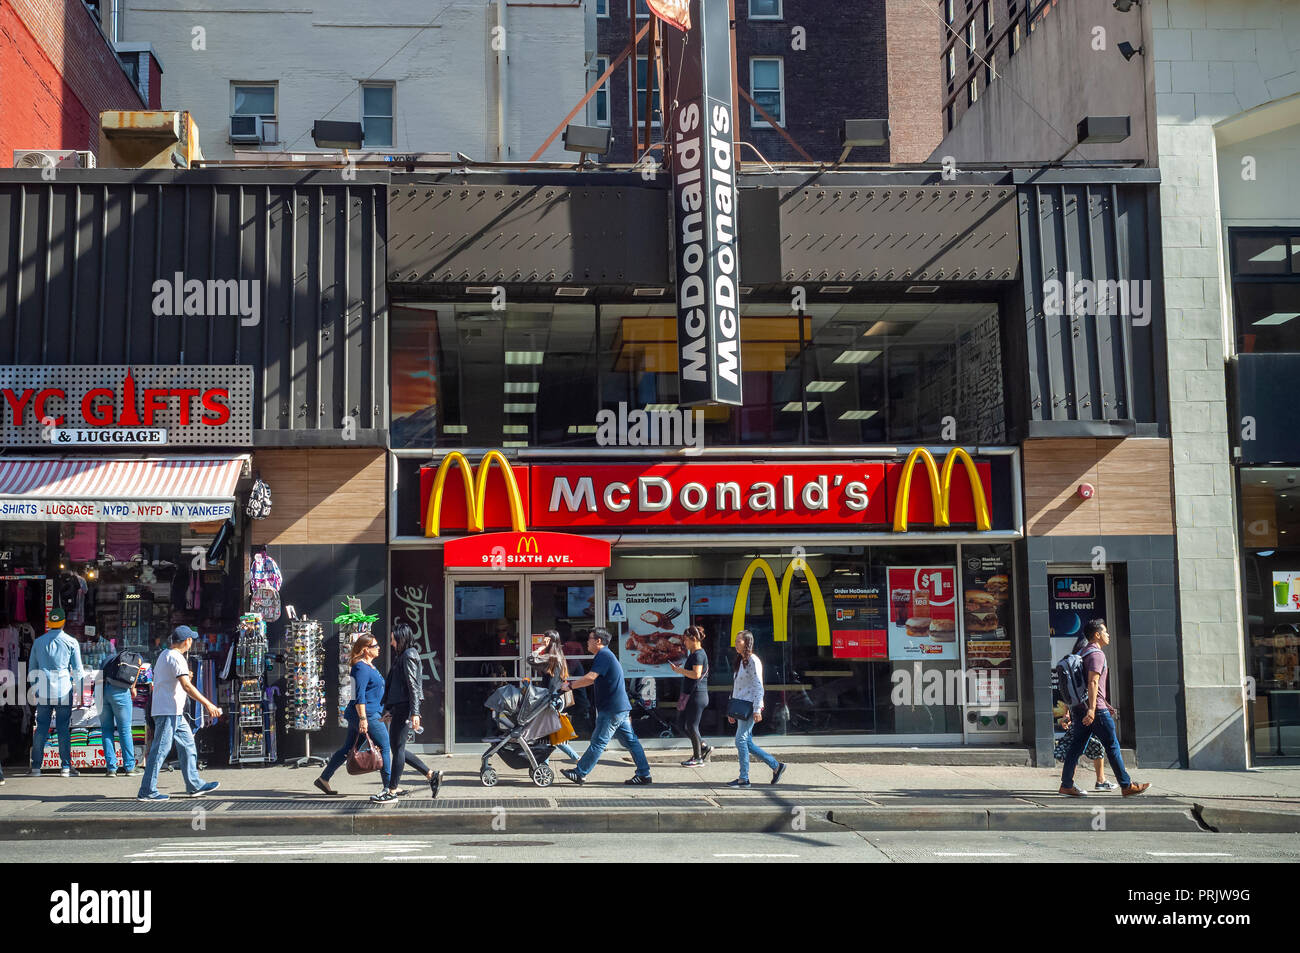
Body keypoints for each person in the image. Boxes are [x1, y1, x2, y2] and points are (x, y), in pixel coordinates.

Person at [1059, 619, 1150, 798]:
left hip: (1080, 707)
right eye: (1105, 632)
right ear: (1097, 635)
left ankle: (1066, 785)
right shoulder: (1096, 654)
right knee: (1112, 745)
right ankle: (1126, 785)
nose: (1108, 635)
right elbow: (1093, 682)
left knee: (1076, 747)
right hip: (1096, 710)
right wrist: (1092, 710)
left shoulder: (1083, 652)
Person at [136, 626, 222, 801]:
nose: (192, 642)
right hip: (168, 711)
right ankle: (147, 790)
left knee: (188, 745)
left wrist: (186, 678)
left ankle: (194, 784)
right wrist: (208, 704)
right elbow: (186, 686)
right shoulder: (177, 658)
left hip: (171, 710)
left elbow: (174, 681)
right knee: (160, 750)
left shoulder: (164, 655)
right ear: (187, 641)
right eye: (192, 639)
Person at [559, 628, 652, 785]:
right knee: (631, 741)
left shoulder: (604, 655)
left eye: (590, 639)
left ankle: (580, 773)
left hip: (612, 709)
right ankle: (644, 774)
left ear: (598, 641)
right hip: (618, 707)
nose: (587, 642)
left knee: (598, 741)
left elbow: (591, 677)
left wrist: (570, 686)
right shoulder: (605, 655)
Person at [315, 634, 393, 801]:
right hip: (368, 715)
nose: (379, 647)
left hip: (368, 713)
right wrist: (363, 718)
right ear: (366, 650)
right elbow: (358, 696)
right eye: (375, 645)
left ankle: (324, 778)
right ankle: (389, 787)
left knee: (347, 748)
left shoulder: (368, 666)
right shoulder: (361, 668)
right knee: (385, 747)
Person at [379, 622, 442, 798]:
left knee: (398, 748)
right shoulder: (402, 656)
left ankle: (392, 790)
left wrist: (415, 713)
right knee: (397, 748)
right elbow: (397, 686)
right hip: (400, 707)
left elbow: (413, 686)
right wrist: (390, 709)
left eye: (393, 639)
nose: (391, 643)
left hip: (406, 708)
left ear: (401, 638)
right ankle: (431, 775)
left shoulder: (409, 655)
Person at [28, 608, 85, 778]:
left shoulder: (38, 642)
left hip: (43, 689)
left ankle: (36, 767)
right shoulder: (71, 641)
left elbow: (32, 668)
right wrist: (80, 692)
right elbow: (78, 670)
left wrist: (35, 688)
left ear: (49, 623)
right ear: (63, 622)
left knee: (41, 728)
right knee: (62, 728)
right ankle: (65, 767)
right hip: (63, 690)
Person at [727, 630, 786, 788]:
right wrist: (731, 710)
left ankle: (743, 779)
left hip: (749, 706)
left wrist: (757, 709)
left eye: (739, 640)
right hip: (740, 706)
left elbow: (758, 686)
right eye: (736, 640)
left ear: (747, 643)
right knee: (747, 742)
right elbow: (737, 687)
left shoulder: (753, 660)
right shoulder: (740, 661)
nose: (736, 643)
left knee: (740, 740)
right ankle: (776, 766)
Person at [529, 630, 581, 762]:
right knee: (548, 734)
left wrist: (540, 647)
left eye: (545, 639)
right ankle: (545, 764)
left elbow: (531, 659)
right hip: (555, 699)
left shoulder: (551, 657)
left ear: (550, 641)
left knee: (549, 734)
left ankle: (574, 757)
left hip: (550, 700)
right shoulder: (558, 655)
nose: (543, 641)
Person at [667, 625, 712, 766]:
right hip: (690, 694)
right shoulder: (694, 654)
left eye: (686, 640)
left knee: (692, 726)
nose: (684, 643)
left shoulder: (698, 654)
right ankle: (703, 747)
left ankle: (698, 757)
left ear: (693, 639)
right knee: (682, 724)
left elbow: (696, 674)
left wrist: (680, 670)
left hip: (697, 695)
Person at [99, 648, 141, 778]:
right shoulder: (134, 657)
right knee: (124, 730)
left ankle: (111, 769)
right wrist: (133, 687)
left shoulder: (106, 659)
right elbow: (138, 669)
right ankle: (129, 767)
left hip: (103, 693)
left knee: (106, 730)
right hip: (121, 693)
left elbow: (99, 677)